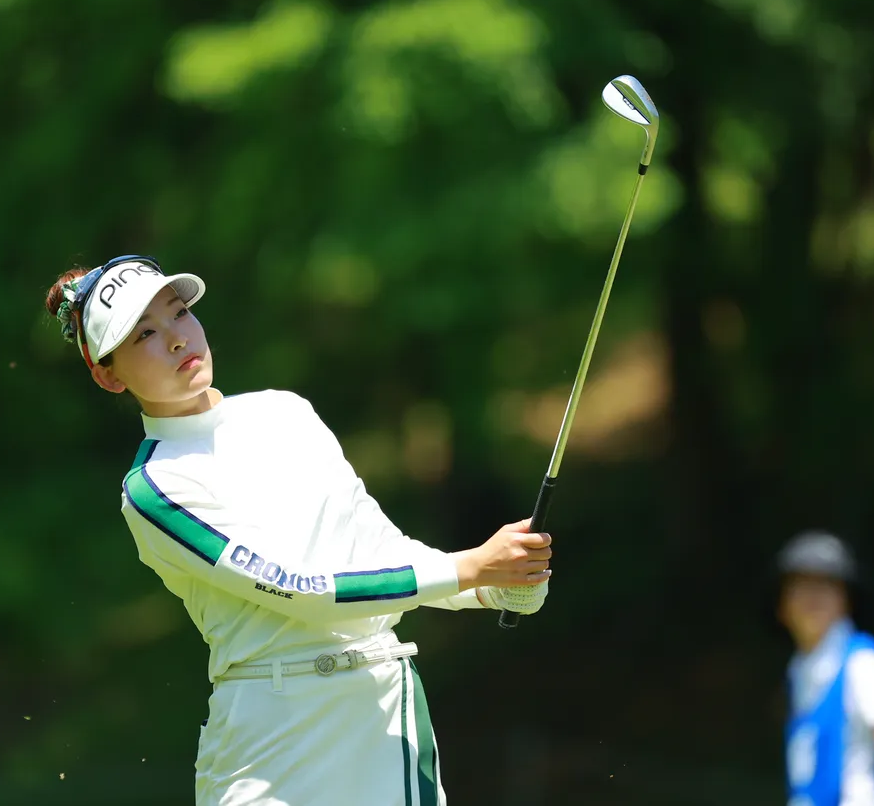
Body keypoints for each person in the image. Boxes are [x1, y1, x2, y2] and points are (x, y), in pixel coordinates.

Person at [43, 254, 552, 806]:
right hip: (270, 748)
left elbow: (380, 550)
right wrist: (469, 568)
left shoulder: (286, 412)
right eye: (145, 334)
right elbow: (299, 589)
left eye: (179, 313)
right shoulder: (153, 487)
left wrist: (494, 586)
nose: (176, 338)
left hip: (383, 719)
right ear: (108, 375)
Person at [775, 531, 874, 806]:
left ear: (846, 599)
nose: (813, 597)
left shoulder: (864, 664)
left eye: (825, 584)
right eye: (802, 585)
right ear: (782, 606)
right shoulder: (799, 671)